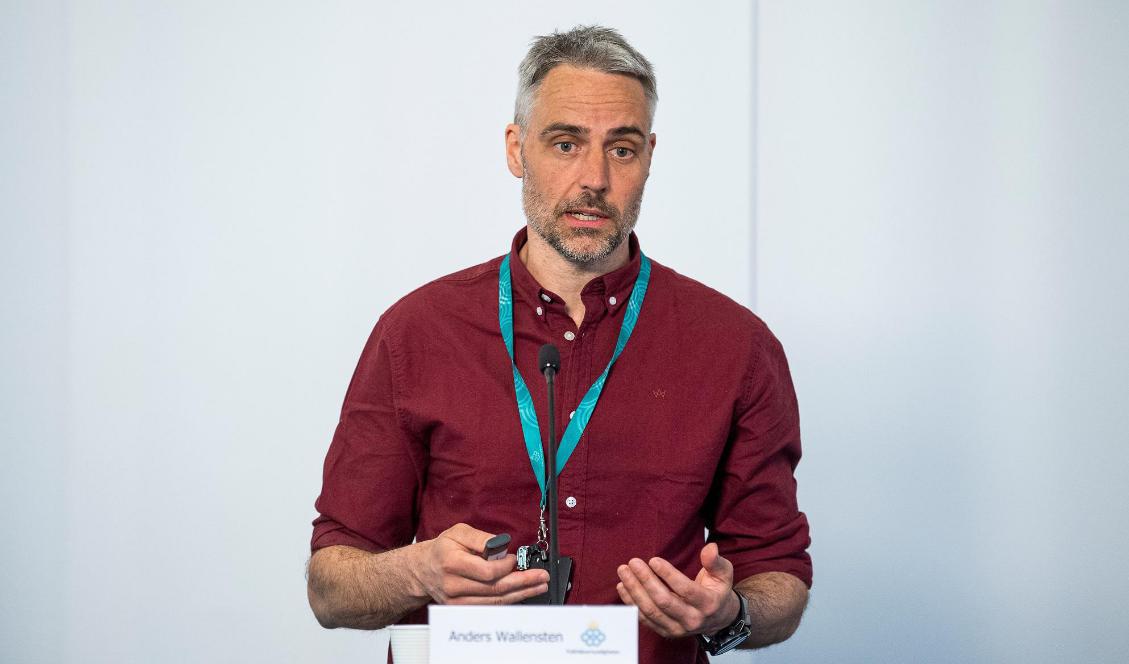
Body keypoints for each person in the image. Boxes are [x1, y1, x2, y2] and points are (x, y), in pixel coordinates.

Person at [307, 25, 811, 663]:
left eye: (621, 150)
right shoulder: (417, 333)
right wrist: (417, 572)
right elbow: (330, 586)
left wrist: (730, 611)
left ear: (650, 156)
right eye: (565, 143)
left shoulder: (736, 347)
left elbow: (780, 576)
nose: (593, 178)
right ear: (517, 149)